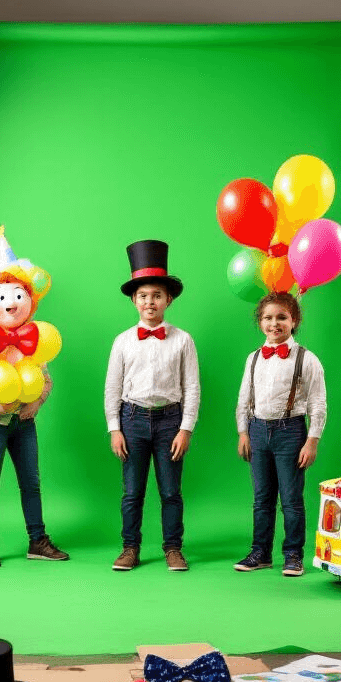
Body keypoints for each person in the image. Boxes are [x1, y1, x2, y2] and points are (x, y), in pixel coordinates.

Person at [0, 227, 68, 568]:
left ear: (28, 301)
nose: (10, 302)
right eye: (3, 296)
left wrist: (34, 405)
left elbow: (46, 380)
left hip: (24, 422)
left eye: (18, 295)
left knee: (31, 483)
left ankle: (37, 540)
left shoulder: (34, 340)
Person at [104, 240, 200, 572]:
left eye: (157, 295)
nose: (150, 301)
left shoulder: (183, 340)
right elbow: (112, 389)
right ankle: (130, 548)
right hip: (131, 419)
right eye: (143, 295)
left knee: (171, 491)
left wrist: (185, 428)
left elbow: (192, 388)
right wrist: (115, 429)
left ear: (168, 300)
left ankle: (173, 547)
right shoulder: (122, 341)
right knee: (132, 492)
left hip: (170, 420)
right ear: (134, 300)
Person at [234, 290, 327, 578]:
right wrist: (243, 432)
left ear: (294, 320)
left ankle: (293, 554)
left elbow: (318, 402)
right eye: (268, 317)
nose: (275, 323)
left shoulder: (307, 359)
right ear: (260, 322)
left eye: (282, 317)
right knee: (262, 498)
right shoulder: (253, 359)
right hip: (257, 430)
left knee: (291, 498)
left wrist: (312, 440)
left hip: (291, 432)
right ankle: (260, 552)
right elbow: (243, 398)